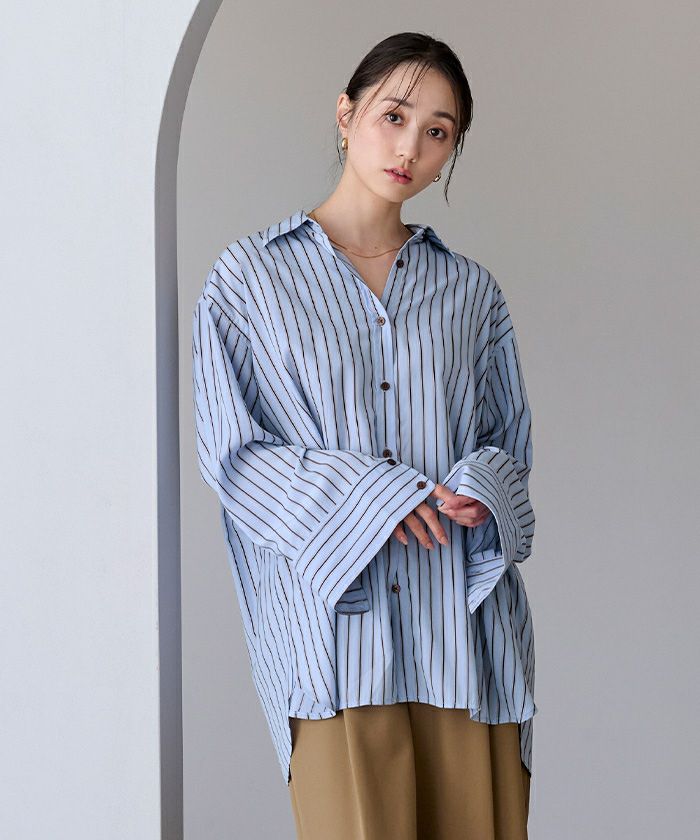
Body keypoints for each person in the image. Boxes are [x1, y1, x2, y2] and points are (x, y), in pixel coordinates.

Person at [192, 31, 537, 840]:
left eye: (439, 131)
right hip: (336, 649)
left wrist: (482, 492)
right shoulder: (250, 278)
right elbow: (234, 457)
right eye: (394, 115)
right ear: (347, 115)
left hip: (467, 643)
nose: (410, 147)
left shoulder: (471, 292)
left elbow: (509, 445)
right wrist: (375, 497)